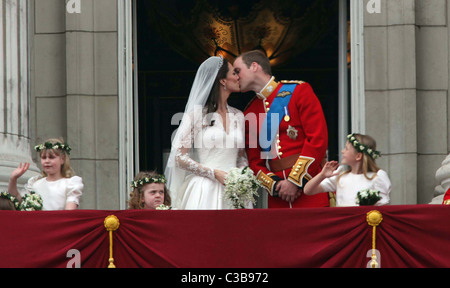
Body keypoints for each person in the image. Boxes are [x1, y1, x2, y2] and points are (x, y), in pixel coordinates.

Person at [234, 50, 329, 208]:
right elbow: (255, 162)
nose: (236, 77)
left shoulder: (298, 91)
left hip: (311, 187)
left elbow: (317, 139)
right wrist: (276, 186)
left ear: (254, 66)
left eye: (238, 71)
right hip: (279, 198)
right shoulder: (250, 112)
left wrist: (294, 181)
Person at [165, 56, 248, 209]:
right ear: (222, 80)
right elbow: (178, 157)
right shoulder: (197, 116)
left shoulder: (239, 116)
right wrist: (213, 173)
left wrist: (243, 177)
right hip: (205, 189)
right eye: (234, 73)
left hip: (235, 190)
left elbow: (241, 157)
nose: (238, 77)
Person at [304, 133, 391, 207]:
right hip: (344, 224)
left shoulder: (377, 176)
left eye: (346, 148)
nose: (342, 151)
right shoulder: (340, 175)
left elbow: (383, 207)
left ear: (358, 156)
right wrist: (322, 175)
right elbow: (308, 191)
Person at [8, 138, 83, 210]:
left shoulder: (70, 184)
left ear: (62, 159)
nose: (47, 161)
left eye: (51, 157)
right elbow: (16, 200)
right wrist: (13, 179)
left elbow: (69, 212)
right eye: (44, 157)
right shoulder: (35, 183)